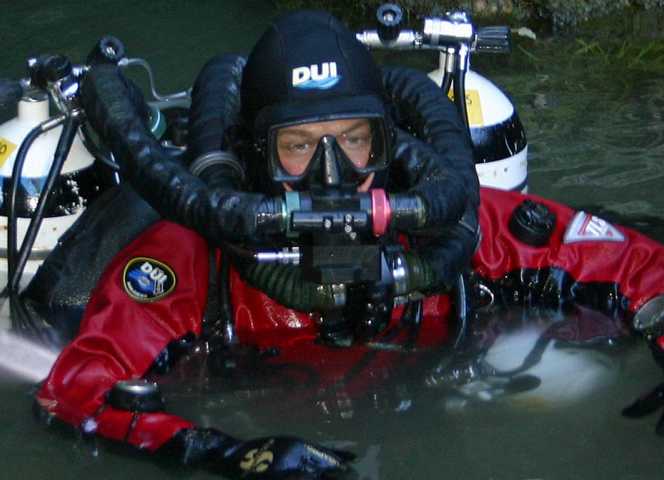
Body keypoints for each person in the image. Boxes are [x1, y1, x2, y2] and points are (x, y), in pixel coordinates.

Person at [28, 9, 664, 480]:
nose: (331, 174)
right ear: (256, 155)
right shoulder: (187, 259)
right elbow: (76, 389)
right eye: (299, 146)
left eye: (355, 141)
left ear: (387, 144)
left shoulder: (453, 228)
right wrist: (226, 452)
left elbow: (636, 263)